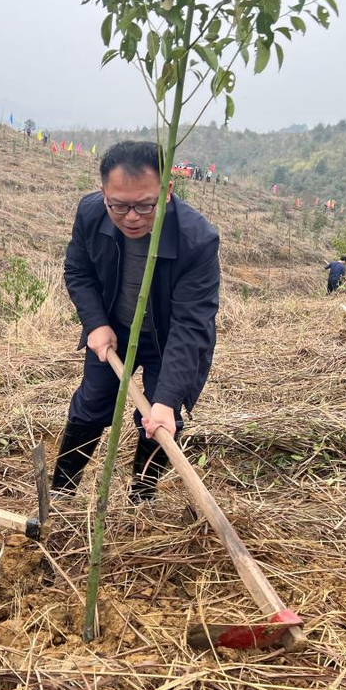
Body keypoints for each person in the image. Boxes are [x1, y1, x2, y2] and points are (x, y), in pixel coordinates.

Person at [52, 141, 220, 504]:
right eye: (119, 206)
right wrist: (96, 322)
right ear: (103, 194)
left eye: (146, 205)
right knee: (92, 404)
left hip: (169, 341)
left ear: (168, 191)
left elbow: (191, 324)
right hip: (114, 332)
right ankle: (62, 493)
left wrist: (167, 400)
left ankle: (142, 497)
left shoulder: (197, 240)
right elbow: (78, 271)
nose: (132, 217)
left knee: (160, 419)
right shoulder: (91, 213)